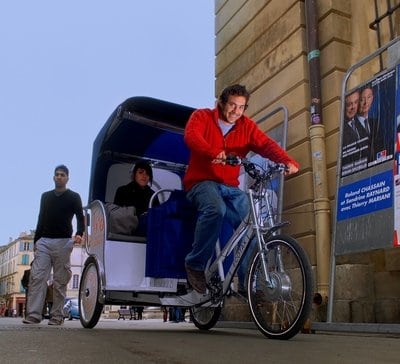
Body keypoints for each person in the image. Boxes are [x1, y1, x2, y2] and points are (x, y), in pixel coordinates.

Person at [183, 84, 299, 294]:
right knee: (215, 209)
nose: (236, 111)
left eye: (241, 107)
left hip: (229, 187)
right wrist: (213, 152)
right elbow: (192, 137)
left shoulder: (247, 127)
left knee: (253, 221)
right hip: (201, 182)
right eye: (232, 105)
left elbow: (266, 145)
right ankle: (195, 264)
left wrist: (287, 161)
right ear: (222, 103)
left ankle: (247, 283)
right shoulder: (202, 117)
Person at [23, 165, 84, 325]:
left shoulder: (74, 197)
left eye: (62, 175)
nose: (59, 177)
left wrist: (79, 233)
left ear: (67, 178)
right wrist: (36, 241)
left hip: (63, 242)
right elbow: (40, 218)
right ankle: (34, 315)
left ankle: (57, 317)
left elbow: (80, 216)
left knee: (60, 281)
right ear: (53, 177)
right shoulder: (46, 197)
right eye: (56, 174)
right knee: (37, 278)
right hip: (44, 241)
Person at [114, 159, 159, 235]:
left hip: (147, 232)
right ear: (134, 174)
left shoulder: (153, 194)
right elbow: (116, 215)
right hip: (126, 231)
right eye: (141, 172)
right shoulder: (122, 190)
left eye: (147, 174)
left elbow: (157, 217)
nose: (144, 176)